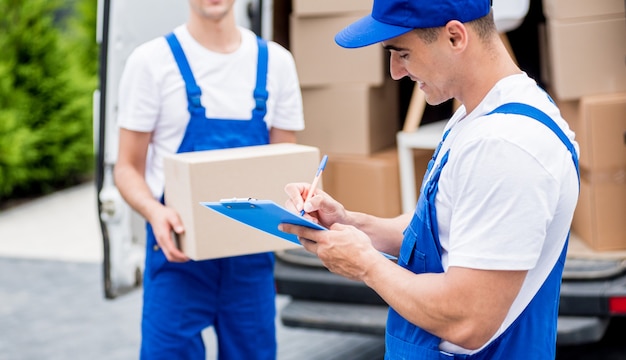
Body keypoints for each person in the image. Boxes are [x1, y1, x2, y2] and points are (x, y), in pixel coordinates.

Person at [279, 0, 579, 358]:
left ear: (455, 37)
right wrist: (349, 223)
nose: (395, 72)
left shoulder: (507, 147)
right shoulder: (477, 117)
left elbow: (468, 319)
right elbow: (447, 230)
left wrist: (365, 264)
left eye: (402, 53)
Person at [113, 0, 304, 358]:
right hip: (177, 257)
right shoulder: (151, 62)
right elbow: (126, 167)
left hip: (250, 258)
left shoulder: (276, 63)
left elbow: (284, 169)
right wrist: (154, 212)